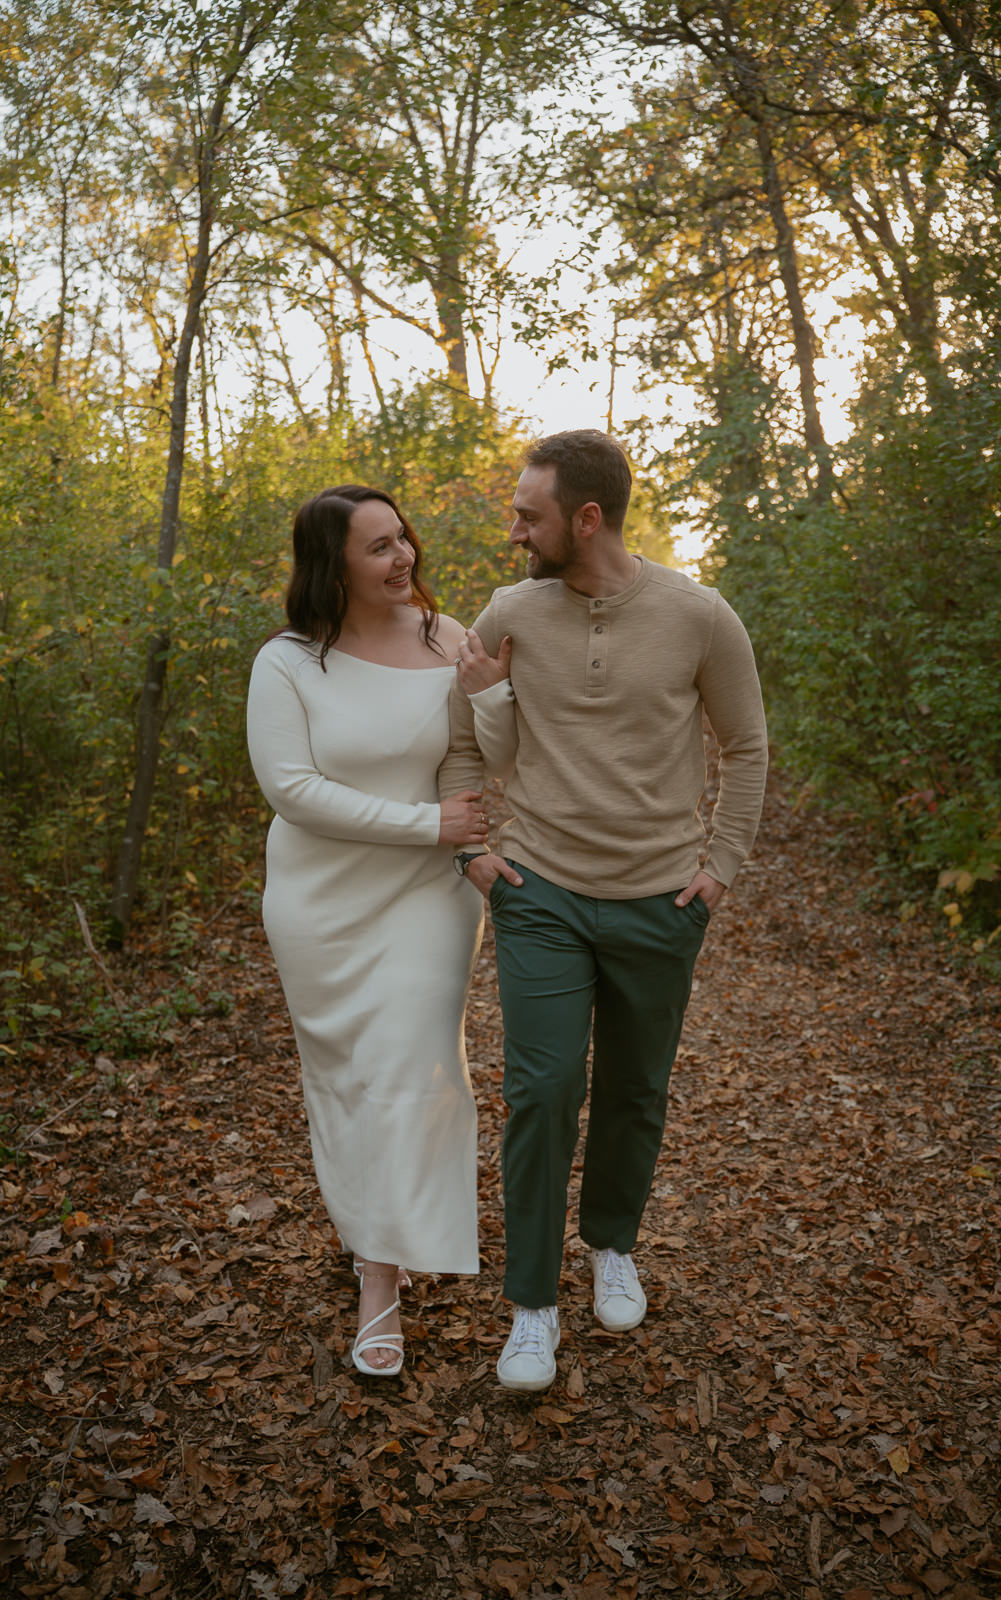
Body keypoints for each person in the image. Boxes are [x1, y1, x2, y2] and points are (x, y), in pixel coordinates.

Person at [440, 430, 769, 1392]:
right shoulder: (508, 613)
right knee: (542, 1091)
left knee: (634, 1089)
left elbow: (745, 748)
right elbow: (465, 744)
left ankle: (611, 1243)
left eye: (528, 514)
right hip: (539, 893)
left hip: (660, 899)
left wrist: (721, 869)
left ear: (585, 519)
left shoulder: (699, 615)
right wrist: (478, 851)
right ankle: (532, 1305)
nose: (514, 531)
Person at [246, 485, 515, 1377]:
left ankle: (381, 1275)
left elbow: (485, 757)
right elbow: (292, 790)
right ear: (334, 567)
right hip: (319, 903)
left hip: (427, 895)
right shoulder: (287, 663)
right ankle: (373, 1245)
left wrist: (494, 700)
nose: (402, 558)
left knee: (413, 1062)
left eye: (402, 539)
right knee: (348, 1080)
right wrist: (426, 824)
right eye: (377, 548)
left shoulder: (449, 640)